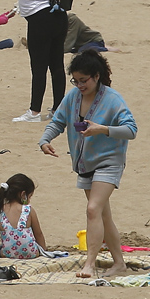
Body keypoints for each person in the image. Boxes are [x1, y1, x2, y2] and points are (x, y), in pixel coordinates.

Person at [39, 49, 137, 278]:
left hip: (109, 162)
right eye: (75, 80)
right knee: (102, 215)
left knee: (93, 209)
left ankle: (89, 265)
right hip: (85, 164)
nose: (79, 85)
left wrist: (102, 129)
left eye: (84, 80)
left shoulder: (113, 99)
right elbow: (58, 121)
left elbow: (131, 130)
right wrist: (44, 140)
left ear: (96, 76)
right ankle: (119, 263)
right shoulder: (73, 97)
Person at [8, 0, 69, 123]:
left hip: (41, 19)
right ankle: (58, 109)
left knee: (39, 67)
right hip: (58, 17)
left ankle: (34, 112)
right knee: (56, 66)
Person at [0, 173, 46, 259]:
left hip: (7, 253)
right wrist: (44, 252)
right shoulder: (28, 210)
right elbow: (39, 234)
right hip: (31, 253)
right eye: (29, 197)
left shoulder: (0, 209)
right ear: (23, 194)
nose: (29, 201)